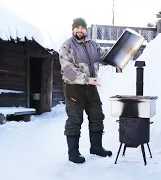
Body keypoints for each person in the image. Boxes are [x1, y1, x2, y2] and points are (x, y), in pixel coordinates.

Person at [59, 17, 112, 164]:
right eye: (77, 27)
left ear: (86, 29)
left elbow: (105, 57)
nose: (80, 30)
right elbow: (67, 70)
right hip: (73, 87)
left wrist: (119, 59)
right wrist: (86, 79)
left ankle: (96, 147)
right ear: (73, 29)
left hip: (91, 86)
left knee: (97, 115)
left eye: (82, 28)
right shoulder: (67, 46)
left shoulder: (93, 45)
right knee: (75, 119)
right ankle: (73, 153)